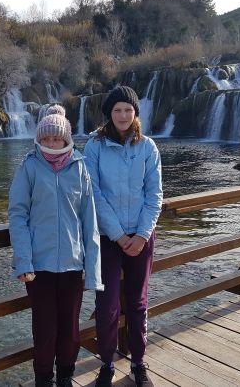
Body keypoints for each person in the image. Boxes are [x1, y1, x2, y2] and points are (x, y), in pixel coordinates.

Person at [9, 106, 104, 387]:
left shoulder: (80, 167)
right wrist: (23, 262)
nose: (51, 144)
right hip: (39, 267)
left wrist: (92, 267)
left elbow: (90, 221)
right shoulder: (28, 167)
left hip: (74, 265)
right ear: (39, 139)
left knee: (70, 331)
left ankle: (65, 377)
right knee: (45, 329)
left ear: (66, 140)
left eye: (56, 138)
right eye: (46, 138)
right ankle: (43, 380)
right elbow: (17, 215)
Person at [84, 86, 163, 387]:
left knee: (138, 302)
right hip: (107, 237)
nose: (123, 115)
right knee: (107, 306)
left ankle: (139, 362)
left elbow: (154, 195)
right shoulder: (95, 146)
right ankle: (106, 363)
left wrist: (142, 235)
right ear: (109, 113)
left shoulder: (148, 147)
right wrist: (118, 235)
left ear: (135, 113)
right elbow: (94, 194)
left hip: (141, 236)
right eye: (117, 110)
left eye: (128, 110)